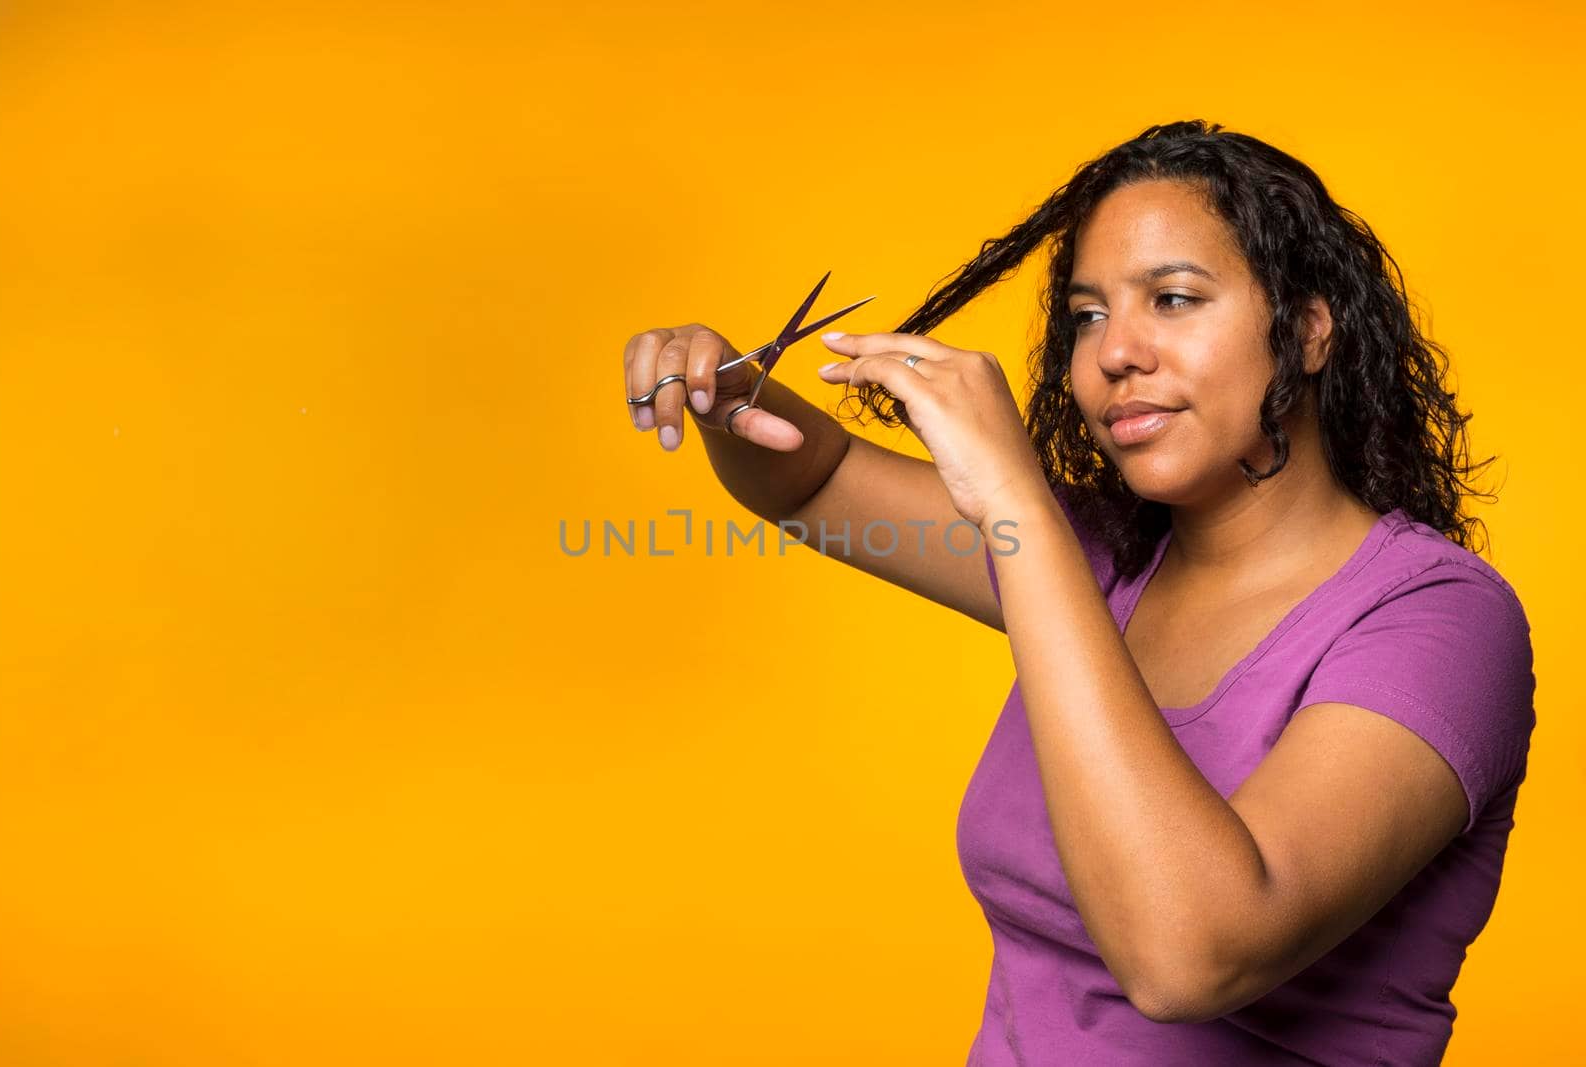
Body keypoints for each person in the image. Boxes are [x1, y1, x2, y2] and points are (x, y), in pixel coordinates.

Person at [619, 119, 1536, 1066]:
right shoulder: (1103, 558)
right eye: (1088, 315)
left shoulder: (1441, 622)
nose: (1111, 355)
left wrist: (1017, 503)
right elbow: (814, 479)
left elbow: (1191, 959)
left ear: (1306, 332)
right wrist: (728, 393)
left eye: (1173, 299)